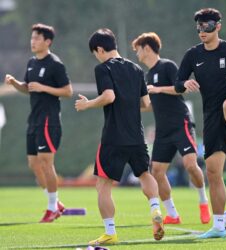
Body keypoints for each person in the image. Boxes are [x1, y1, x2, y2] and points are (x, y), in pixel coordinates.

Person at [75, 28, 164, 245]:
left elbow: (108, 96)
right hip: (136, 135)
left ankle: (110, 233)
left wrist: (88, 104)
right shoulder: (136, 69)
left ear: (99, 49)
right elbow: (145, 104)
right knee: (145, 174)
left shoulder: (102, 68)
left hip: (114, 136)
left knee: (103, 185)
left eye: (95, 52)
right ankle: (155, 209)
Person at [175, 8, 226, 239]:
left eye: (208, 26)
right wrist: (185, 84)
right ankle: (219, 226)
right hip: (211, 114)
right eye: (199, 27)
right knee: (212, 172)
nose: (202, 31)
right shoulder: (193, 55)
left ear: (218, 26)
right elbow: (178, 82)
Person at [131, 32, 210, 225]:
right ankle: (172, 214)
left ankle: (203, 202)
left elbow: (179, 88)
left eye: (137, 50)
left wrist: (157, 89)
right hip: (163, 130)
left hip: (180, 123)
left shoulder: (167, 66)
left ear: (147, 48)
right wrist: (129, 103)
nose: (137, 55)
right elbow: (150, 105)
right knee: (157, 171)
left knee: (191, 165)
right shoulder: (148, 75)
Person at [4, 23, 73, 223]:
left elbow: (68, 91)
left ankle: (52, 208)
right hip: (33, 119)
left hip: (48, 120)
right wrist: (16, 84)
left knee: (46, 162)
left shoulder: (55, 64)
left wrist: (44, 87)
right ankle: (56, 203)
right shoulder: (32, 62)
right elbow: (29, 88)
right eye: (32, 38)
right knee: (34, 164)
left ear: (48, 42)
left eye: (37, 38)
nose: (33, 41)